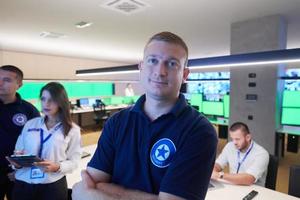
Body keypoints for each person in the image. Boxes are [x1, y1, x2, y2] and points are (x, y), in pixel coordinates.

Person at [72, 32, 218, 200]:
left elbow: (89, 192)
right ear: (141, 67)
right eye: (153, 61)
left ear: (185, 75)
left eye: (171, 64)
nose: (160, 71)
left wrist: (102, 193)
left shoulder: (199, 131)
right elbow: (88, 185)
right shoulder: (117, 122)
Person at [7, 82, 82, 200]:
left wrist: (58, 166)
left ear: (61, 102)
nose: (46, 103)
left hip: (52, 184)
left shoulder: (73, 130)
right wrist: (17, 164)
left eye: (52, 100)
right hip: (24, 183)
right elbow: (18, 150)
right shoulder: (30, 124)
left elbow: (74, 161)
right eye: (43, 99)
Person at [0, 65, 40, 200]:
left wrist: (22, 169)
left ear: (19, 84)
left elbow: (38, 143)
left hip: (17, 173)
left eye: (6, 80)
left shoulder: (29, 111)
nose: (0, 83)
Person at [211, 122, 269, 186]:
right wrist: (213, 170)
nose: (234, 142)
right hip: (233, 185)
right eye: (232, 139)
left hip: (252, 189)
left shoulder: (262, 154)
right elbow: (218, 164)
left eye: (237, 139)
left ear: (248, 137)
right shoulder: (230, 146)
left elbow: (249, 179)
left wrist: (220, 175)